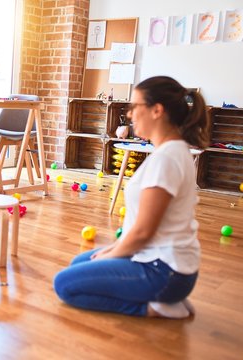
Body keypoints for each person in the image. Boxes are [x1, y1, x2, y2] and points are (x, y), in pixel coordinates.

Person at [54, 76, 211, 318]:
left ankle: (155, 306)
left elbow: (143, 232)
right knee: (79, 264)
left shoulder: (167, 159)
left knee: (64, 285)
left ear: (157, 110)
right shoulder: (172, 151)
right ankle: (165, 297)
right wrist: (112, 249)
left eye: (135, 106)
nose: (129, 115)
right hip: (166, 264)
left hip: (164, 272)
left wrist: (111, 254)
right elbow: (139, 228)